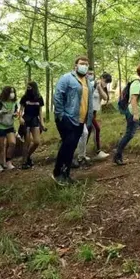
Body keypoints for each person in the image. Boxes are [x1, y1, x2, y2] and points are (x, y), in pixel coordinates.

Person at [53, 56, 95, 185]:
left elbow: (88, 101)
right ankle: (57, 173)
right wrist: (61, 116)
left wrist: (89, 119)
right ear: (75, 65)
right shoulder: (66, 78)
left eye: (87, 64)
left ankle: (66, 174)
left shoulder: (87, 81)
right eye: (82, 63)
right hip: (67, 119)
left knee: (71, 147)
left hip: (80, 120)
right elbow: (58, 96)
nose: (85, 66)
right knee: (67, 146)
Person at [0, 86, 20, 172]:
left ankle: (8, 161)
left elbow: (16, 112)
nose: (12, 94)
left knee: (12, 143)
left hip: (10, 126)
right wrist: (1, 112)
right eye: (10, 92)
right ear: (6, 93)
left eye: (13, 92)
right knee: (0, 146)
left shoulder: (15, 102)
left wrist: (15, 114)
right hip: (0, 126)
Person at [19, 82, 46, 170]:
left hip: (34, 120)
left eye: (30, 87)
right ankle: (24, 162)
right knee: (27, 142)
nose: (28, 88)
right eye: (27, 87)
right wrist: (20, 118)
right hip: (26, 120)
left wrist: (42, 123)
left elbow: (40, 112)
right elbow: (21, 110)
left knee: (36, 141)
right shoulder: (24, 97)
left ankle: (28, 156)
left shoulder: (39, 98)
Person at [91, 72, 112, 157]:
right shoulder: (92, 84)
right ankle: (98, 151)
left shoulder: (102, 87)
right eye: (105, 81)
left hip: (94, 112)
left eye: (107, 82)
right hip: (88, 112)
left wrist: (100, 88)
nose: (106, 84)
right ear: (102, 78)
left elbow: (105, 97)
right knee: (96, 129)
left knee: (88, 131)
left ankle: (83, 154)